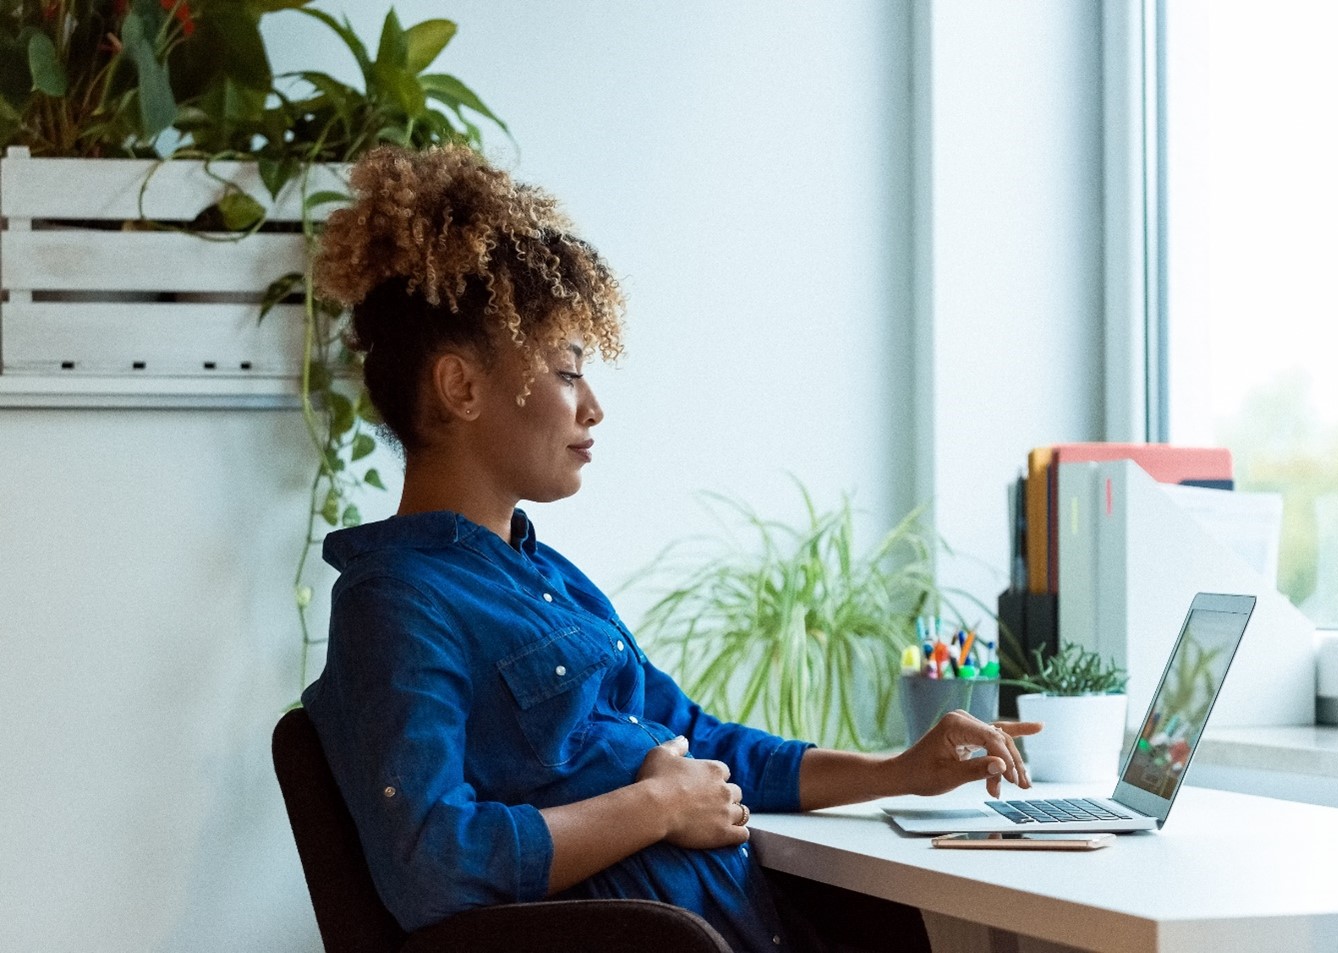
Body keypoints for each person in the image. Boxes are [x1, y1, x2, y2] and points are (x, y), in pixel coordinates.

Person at [300, 143, 1041, 953]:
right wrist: (656, 806)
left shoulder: (550, 581)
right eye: (566, 371)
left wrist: (897, 770)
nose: (593, 407)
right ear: (462, 388)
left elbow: (698, 740)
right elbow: (432, 862)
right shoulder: (399, 601)